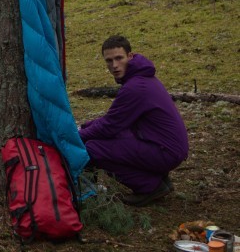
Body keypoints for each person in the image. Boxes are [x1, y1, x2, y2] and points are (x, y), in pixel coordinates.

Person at [78, 35, 189, 207]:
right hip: (165, 146)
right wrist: (84, 127)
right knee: (110, 138)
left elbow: (109, 126)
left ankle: (150, 186)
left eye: (119, 58)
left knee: (93, 148)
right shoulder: (140, 79)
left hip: (165, 151)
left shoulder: (135, 87)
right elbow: (114, 119)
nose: (114, 65)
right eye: (109, 60)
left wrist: (76, 137)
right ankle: (158, 178)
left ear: (130, 56)